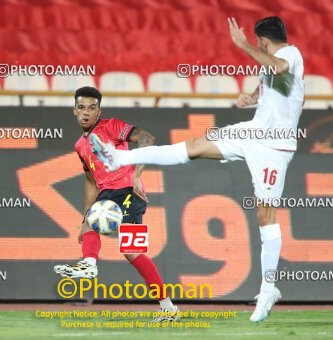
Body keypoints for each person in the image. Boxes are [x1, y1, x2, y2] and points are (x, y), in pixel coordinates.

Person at [90, 17, 304, 323]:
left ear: (264, 42)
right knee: (192, 148)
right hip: (252, 133)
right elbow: (274, 84)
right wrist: (253, 98)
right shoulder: (272, 63)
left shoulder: (291, 55)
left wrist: (241, 45)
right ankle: (117, 159)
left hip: (275, 148)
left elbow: (280, 69)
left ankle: (269, 288)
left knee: (264, 213)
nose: (256, 47)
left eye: (258, 43)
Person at [54, 86, 180, 322]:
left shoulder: (111, 126)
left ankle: (90, 264)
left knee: (128, 248)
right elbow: (91, 180)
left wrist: (136, 175)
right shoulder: (80, 146)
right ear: (74, 111)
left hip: (127, 190)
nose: (86, 113)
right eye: (81, 108)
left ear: (99, 110)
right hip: (107, 193)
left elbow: (146, 138)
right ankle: (169, 308)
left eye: (92, 108)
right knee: (129, 250)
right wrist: (84, 219)